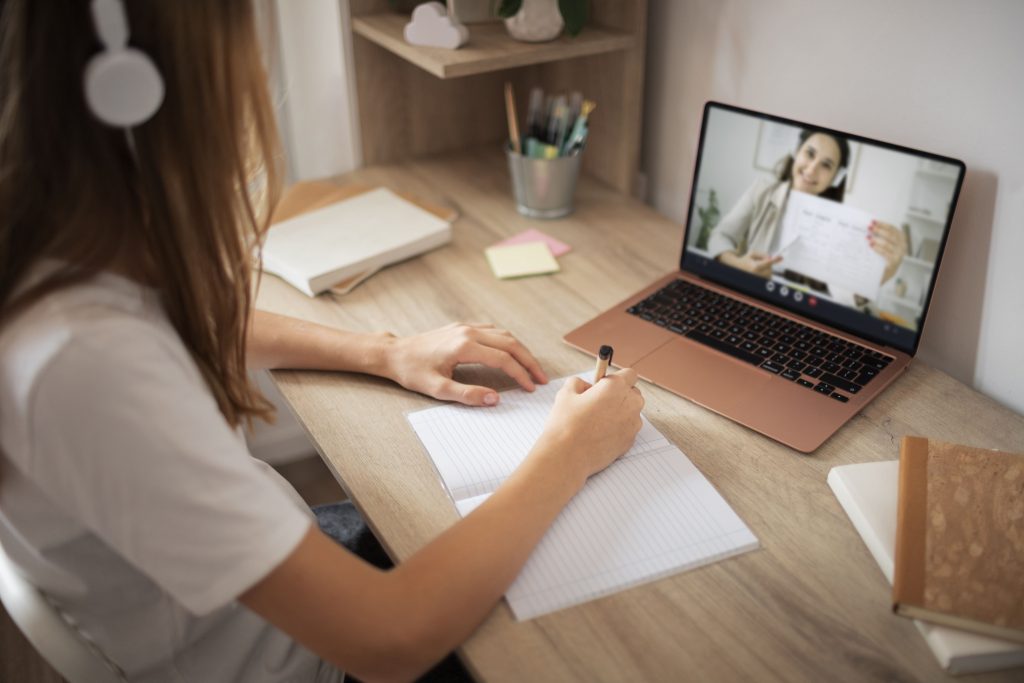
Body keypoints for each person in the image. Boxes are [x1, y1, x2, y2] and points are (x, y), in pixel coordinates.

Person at [0, 2, 644, 682]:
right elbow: (391, 639)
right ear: (141, 92)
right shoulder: (84, 366)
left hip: (278, 575)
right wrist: (569, 450)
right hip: (305, 656)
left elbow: (192, 324)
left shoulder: (58, 257)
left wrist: (383, 350)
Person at [707, 128, 907, 291]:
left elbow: (840, 295)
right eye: (809, 154)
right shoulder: (762, 190)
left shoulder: (841, 225)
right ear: (796, 151)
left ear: (836, 178)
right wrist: (740, 265)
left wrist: (882, 275)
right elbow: (720, 235)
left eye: (826, 165)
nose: (811, 170)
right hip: (748, 292)